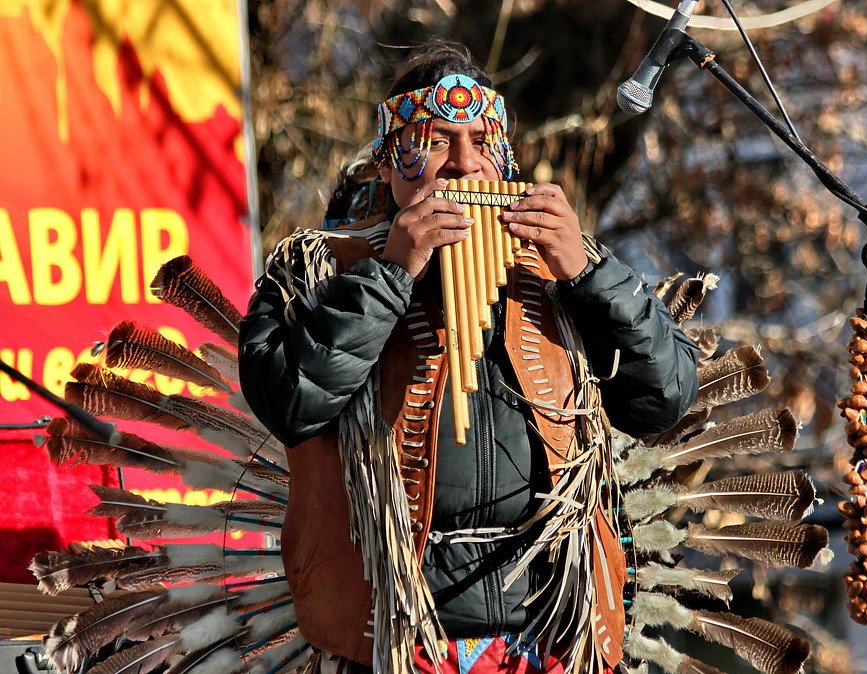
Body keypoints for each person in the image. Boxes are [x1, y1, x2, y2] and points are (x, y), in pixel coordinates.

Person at [239, 42, 700, 674]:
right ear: (388, 162)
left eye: (483, 141)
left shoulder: (557, 270)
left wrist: (592, 273)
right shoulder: (317, 271)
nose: (463, 165)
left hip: (546, 634)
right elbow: (290, 401)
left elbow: (665, 396)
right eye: (434, 142)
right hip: (393, 639)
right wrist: (390, 275)